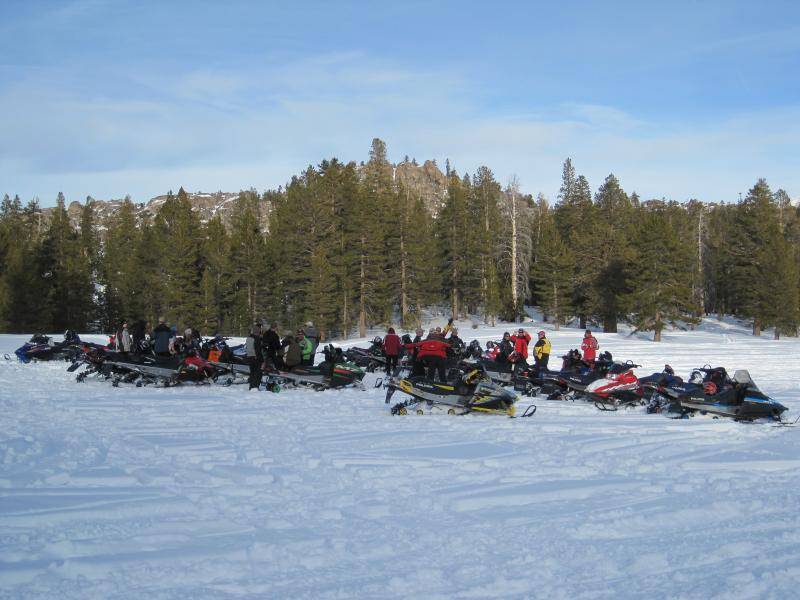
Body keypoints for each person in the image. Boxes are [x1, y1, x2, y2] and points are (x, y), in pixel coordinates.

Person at [245, 323, 263, 390]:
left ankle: (251, 386)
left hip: (249, 357)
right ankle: (255, 387)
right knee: (257, 373)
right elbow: (258, 350)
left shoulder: (249, 338)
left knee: (252, 373)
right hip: (256, 358)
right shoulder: (257, 339)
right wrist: (262, 360)